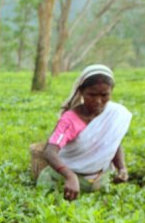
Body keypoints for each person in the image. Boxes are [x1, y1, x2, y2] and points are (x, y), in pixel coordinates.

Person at [37, 64, 131, 200]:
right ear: (81, 92)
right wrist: (70, 176)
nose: (98, 101)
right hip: (63, 183)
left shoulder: (115, 113)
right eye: (92, 95)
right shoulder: (70, 120)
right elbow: (49, 151)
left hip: (99, 182)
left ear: (111, 92)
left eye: (104, 95)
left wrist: (122, 168)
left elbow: (113, 143)